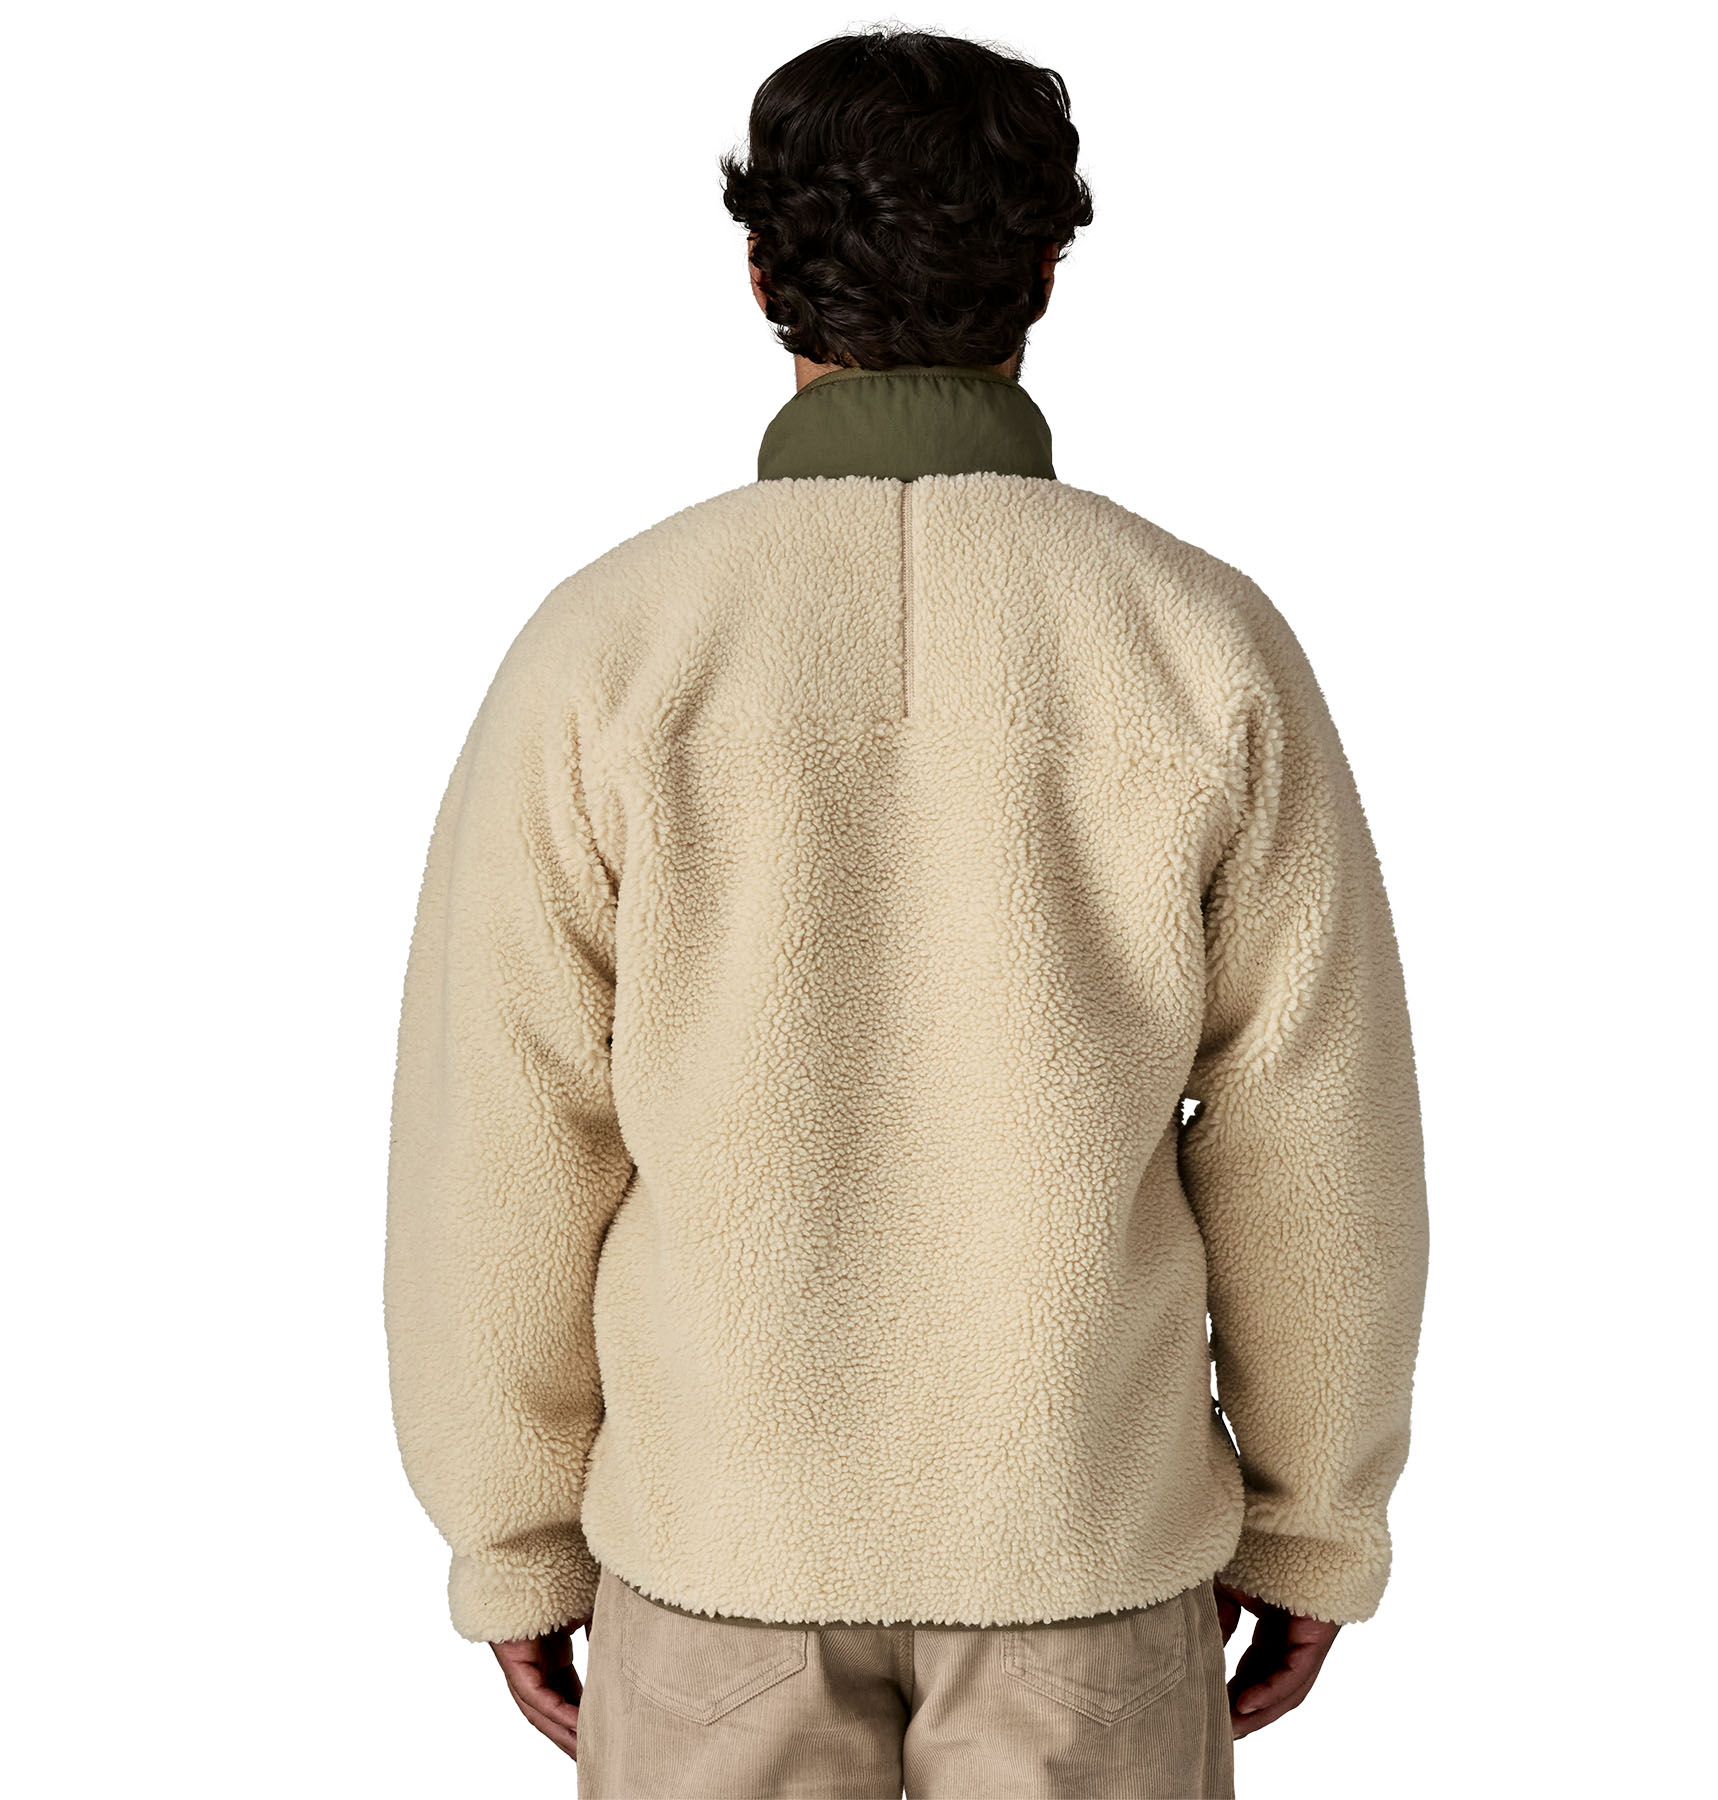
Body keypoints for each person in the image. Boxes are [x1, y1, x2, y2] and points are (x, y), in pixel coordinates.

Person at [384, 26, 1428, 1800]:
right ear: (1045, 273)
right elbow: (1313, 1134)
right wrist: (1314, 1514)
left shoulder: (607, 652)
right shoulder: (1199, 644)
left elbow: (501, 1134)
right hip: (1089, 1549)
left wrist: (511, 1531)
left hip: (712, 1562)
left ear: (758, 272)